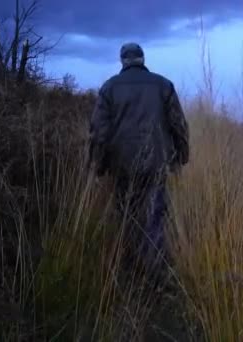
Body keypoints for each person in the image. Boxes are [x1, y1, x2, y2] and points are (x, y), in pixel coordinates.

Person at [88, 42, 189, 283]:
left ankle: (128, 267)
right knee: (155, 215)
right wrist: (181, 156)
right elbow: (179, 125)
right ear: (143, 59)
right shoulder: (163, 85)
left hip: (122, 165)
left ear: (122, 60)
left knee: (126, 214)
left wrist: (98, 166)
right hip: (157, 163)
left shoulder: (109, 88)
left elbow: (99, 132)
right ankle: (154, 272)